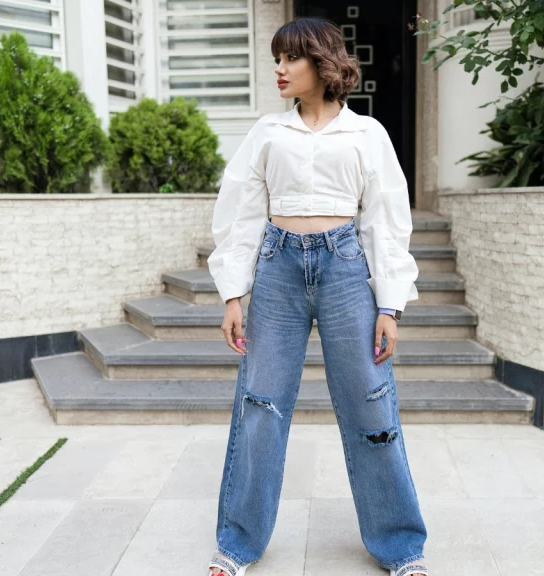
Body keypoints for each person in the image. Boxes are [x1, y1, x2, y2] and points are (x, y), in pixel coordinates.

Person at [205, 16, 429, 576]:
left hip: (347, 271)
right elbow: (241, 213)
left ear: (321, 64)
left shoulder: (367, 134)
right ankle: (237, 546)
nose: (278, 68)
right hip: (278, 271)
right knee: (260, 405)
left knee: (370, 402)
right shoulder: (267, 133)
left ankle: (400, 547)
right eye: (276, 58)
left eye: (290, 59)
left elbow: (385, 221)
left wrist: (389, 305)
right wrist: (234, 295)